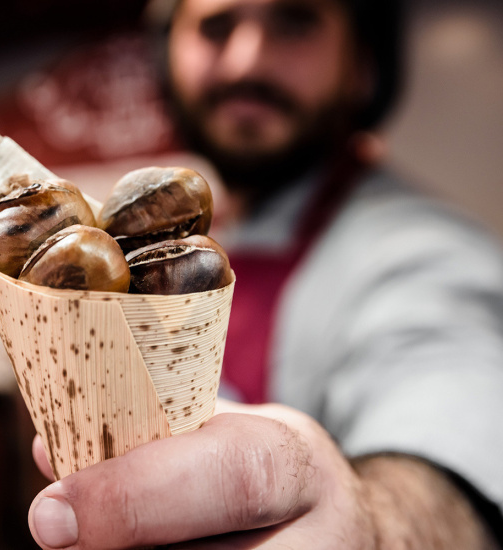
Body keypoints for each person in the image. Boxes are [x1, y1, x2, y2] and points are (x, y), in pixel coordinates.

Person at [25, 0, 503, 548]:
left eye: (294, 22)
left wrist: (373, 526)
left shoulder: (423, 253)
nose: (245, 61)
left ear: (363, 64)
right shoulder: (199, 240)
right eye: (216, 27)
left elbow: (445, 464)